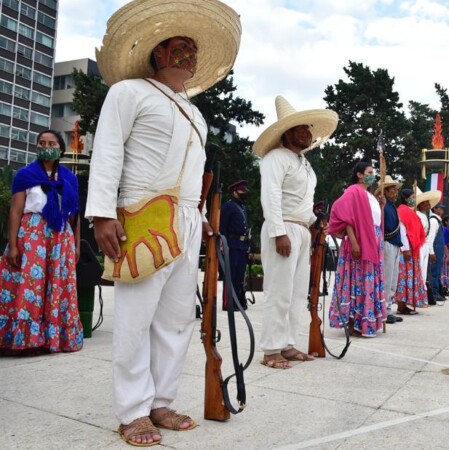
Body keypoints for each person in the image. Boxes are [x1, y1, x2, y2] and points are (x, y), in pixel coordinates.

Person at [86, 1, 241, 444]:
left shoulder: (196, 114)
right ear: (158, 53)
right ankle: (132, 410)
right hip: (139, 215)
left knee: (176, 318)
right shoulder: (128, 92)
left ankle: (161, 401)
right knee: (135, 318)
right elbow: (109, 152)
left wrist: (199, 218)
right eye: (179, 47)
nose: (188, 55)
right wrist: (101, 213)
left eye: (193, 49)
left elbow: (193, 172)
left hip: (187, 222)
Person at [252, 95, 338, 369]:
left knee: (299, 292)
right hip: (283, 227)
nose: (307, 133)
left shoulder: (304, 163)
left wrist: (315, 220)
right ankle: (271, 350)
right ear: (286, 133)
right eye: (300, 128)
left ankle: (288, 343)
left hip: (301, 230)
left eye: (308, 129)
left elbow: (302, 202)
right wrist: (278, 232)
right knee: (279, 291)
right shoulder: (275, 158)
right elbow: (271, 196)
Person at [0, 130, 83, 355]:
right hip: (31, 236)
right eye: (42, 142)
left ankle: (52, 339)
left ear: (60, 148)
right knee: (30, 287)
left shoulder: (69, 177)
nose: (47, 146)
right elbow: (16, 210)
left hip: (60, 236)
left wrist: (77, 244)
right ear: (37, 146)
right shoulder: (25, 175)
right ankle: (26, 341)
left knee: (57, 286)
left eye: (52, 143)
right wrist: (13, 244)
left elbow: (74, 215)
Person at [328, 162, 386, 337]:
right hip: (360, 241)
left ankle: (366, 319)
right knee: (357, 282)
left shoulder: (370, 196)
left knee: (368, 281)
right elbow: (346, 219)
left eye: (373, 172)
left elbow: (377, 222)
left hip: (374, 241)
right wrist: (354, 242)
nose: (372, 175)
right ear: (360, 175)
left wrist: (381, 206)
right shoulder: (353, 191)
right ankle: (353, 320)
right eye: (369, 172)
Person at [395, 189, 427, 314]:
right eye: (412, 197)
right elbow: (403, 231)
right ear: (406, 198)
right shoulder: (403, 211)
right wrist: (406, 248)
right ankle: (401, 304)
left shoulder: (411, 212)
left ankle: (405, 303)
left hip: (413, 249)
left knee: (410, 276)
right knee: (404, 277)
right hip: (406, 250)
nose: (414, 199)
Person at [220, 180, 250, 310]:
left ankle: (238, 300)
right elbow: (223, 226)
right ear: (234, 192)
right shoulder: (229, 206)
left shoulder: (243, 207)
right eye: (242, 191)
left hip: (242, 245)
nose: (245, 193)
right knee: (230, 274)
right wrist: (223, 244)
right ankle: (229, 303)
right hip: (231, 244)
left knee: (239, 274)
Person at [381, 176, 403, 324]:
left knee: (393, 279)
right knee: (387, 279)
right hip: (387, 243)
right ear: (386, 191)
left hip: (395, 244)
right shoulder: (382, 205)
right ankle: (384, 310)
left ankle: (389, 308)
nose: (395, 193)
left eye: (396, 190)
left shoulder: (392, 206)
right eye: (393, 190)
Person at [416, 187, 441, 306]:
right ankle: (419, 297)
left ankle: (423, 296)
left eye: (428, 203)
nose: (427, 205)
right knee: (420, 271)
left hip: (425, 245)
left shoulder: (424, 216)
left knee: (424, 272)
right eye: (424, 203)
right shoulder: (417, 215)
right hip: (420, 245)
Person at [428, 203, 446, 305]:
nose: (442, 211)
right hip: (435, 249)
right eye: (440, 209)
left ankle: (438, 291)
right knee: (434, 272)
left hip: (439, 250)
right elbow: (430, 238)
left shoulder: (438, 221)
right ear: (434, 209)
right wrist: (431, 252)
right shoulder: (434, 221)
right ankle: (434, 293)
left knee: (438, 272)